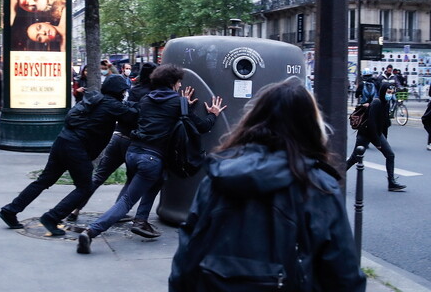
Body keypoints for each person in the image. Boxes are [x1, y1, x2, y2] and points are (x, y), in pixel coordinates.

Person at [169, 77, 366, 291]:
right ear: (311, 126)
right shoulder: (319, 186)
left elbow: (187, 256)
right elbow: (343, 275)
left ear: (252, 120)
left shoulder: (218, 177)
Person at [77, 64, 226, 254]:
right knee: (127, 200)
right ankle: (91, 232)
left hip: (133, 152)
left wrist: (183, 106)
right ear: (173, 83)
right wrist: (213, 114)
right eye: (179, 82)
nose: (180, 86)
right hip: (151, 157)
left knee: (159, 178)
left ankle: (141, 221)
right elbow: (201, 127)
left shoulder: (147, 99)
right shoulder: (177, 102)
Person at [0, 74, 138, 236]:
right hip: (77, 148)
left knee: (44, 180)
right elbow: (133, 116)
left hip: (63, 140)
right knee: (85, 187)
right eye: (123, 91)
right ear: (118, 91)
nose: (124, 94)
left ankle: (10, 210)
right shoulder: (112, 104)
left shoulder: (96, 99)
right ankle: (52, 217)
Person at [66, 62, 159, 228]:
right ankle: (117, 211)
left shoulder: (132, 90)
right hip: (134, 142)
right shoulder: (153, 94)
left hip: (118, 138)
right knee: (131, 180)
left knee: (98, 176)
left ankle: (75, 208)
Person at [346, 83, 406, 191]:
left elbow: (384, 123)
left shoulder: (386, 103)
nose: (390, 94)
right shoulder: (376, 103)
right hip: (365, 134)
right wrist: (378, 143)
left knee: (390, 155)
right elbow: (372, 124)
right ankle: (335, 176)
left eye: (391, 93)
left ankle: (391, 182)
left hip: (376, 133)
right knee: (354, 158)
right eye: (388, 92)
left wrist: (383, 140)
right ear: (383, 91)